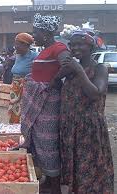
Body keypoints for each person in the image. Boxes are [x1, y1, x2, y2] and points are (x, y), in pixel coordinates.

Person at [20, 13, 71, 194]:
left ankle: (55, 186)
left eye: (36, 32)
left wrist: (54, 80)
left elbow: (68, 64)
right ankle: (49, 181)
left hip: (49, 103)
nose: (34, 36)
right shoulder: (45, 49)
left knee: (49, 143)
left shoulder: (58, 47)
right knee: (40, 140)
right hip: (40, 103)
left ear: (46, 32)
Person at [59, 31, 113, 193]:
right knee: (74, 164)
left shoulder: (100, 68)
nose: (75, 48)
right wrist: (61, 73)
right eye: (72, 45)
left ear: (90, 46)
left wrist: (79, 70)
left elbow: (96, 93)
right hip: (70, 127)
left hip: (88, 128)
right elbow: (53, 85)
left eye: (79, 44)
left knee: (90, 166)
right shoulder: (71, 69)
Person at [8, 33, 38, 124]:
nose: (15, 47)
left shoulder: (34, 56)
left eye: (17, 44)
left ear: (25, 44)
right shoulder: (18, 55)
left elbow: (37, 74)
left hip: (26, 88)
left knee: (25, 111)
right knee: (14, 111)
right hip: (15, 87)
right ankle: (14, 130)